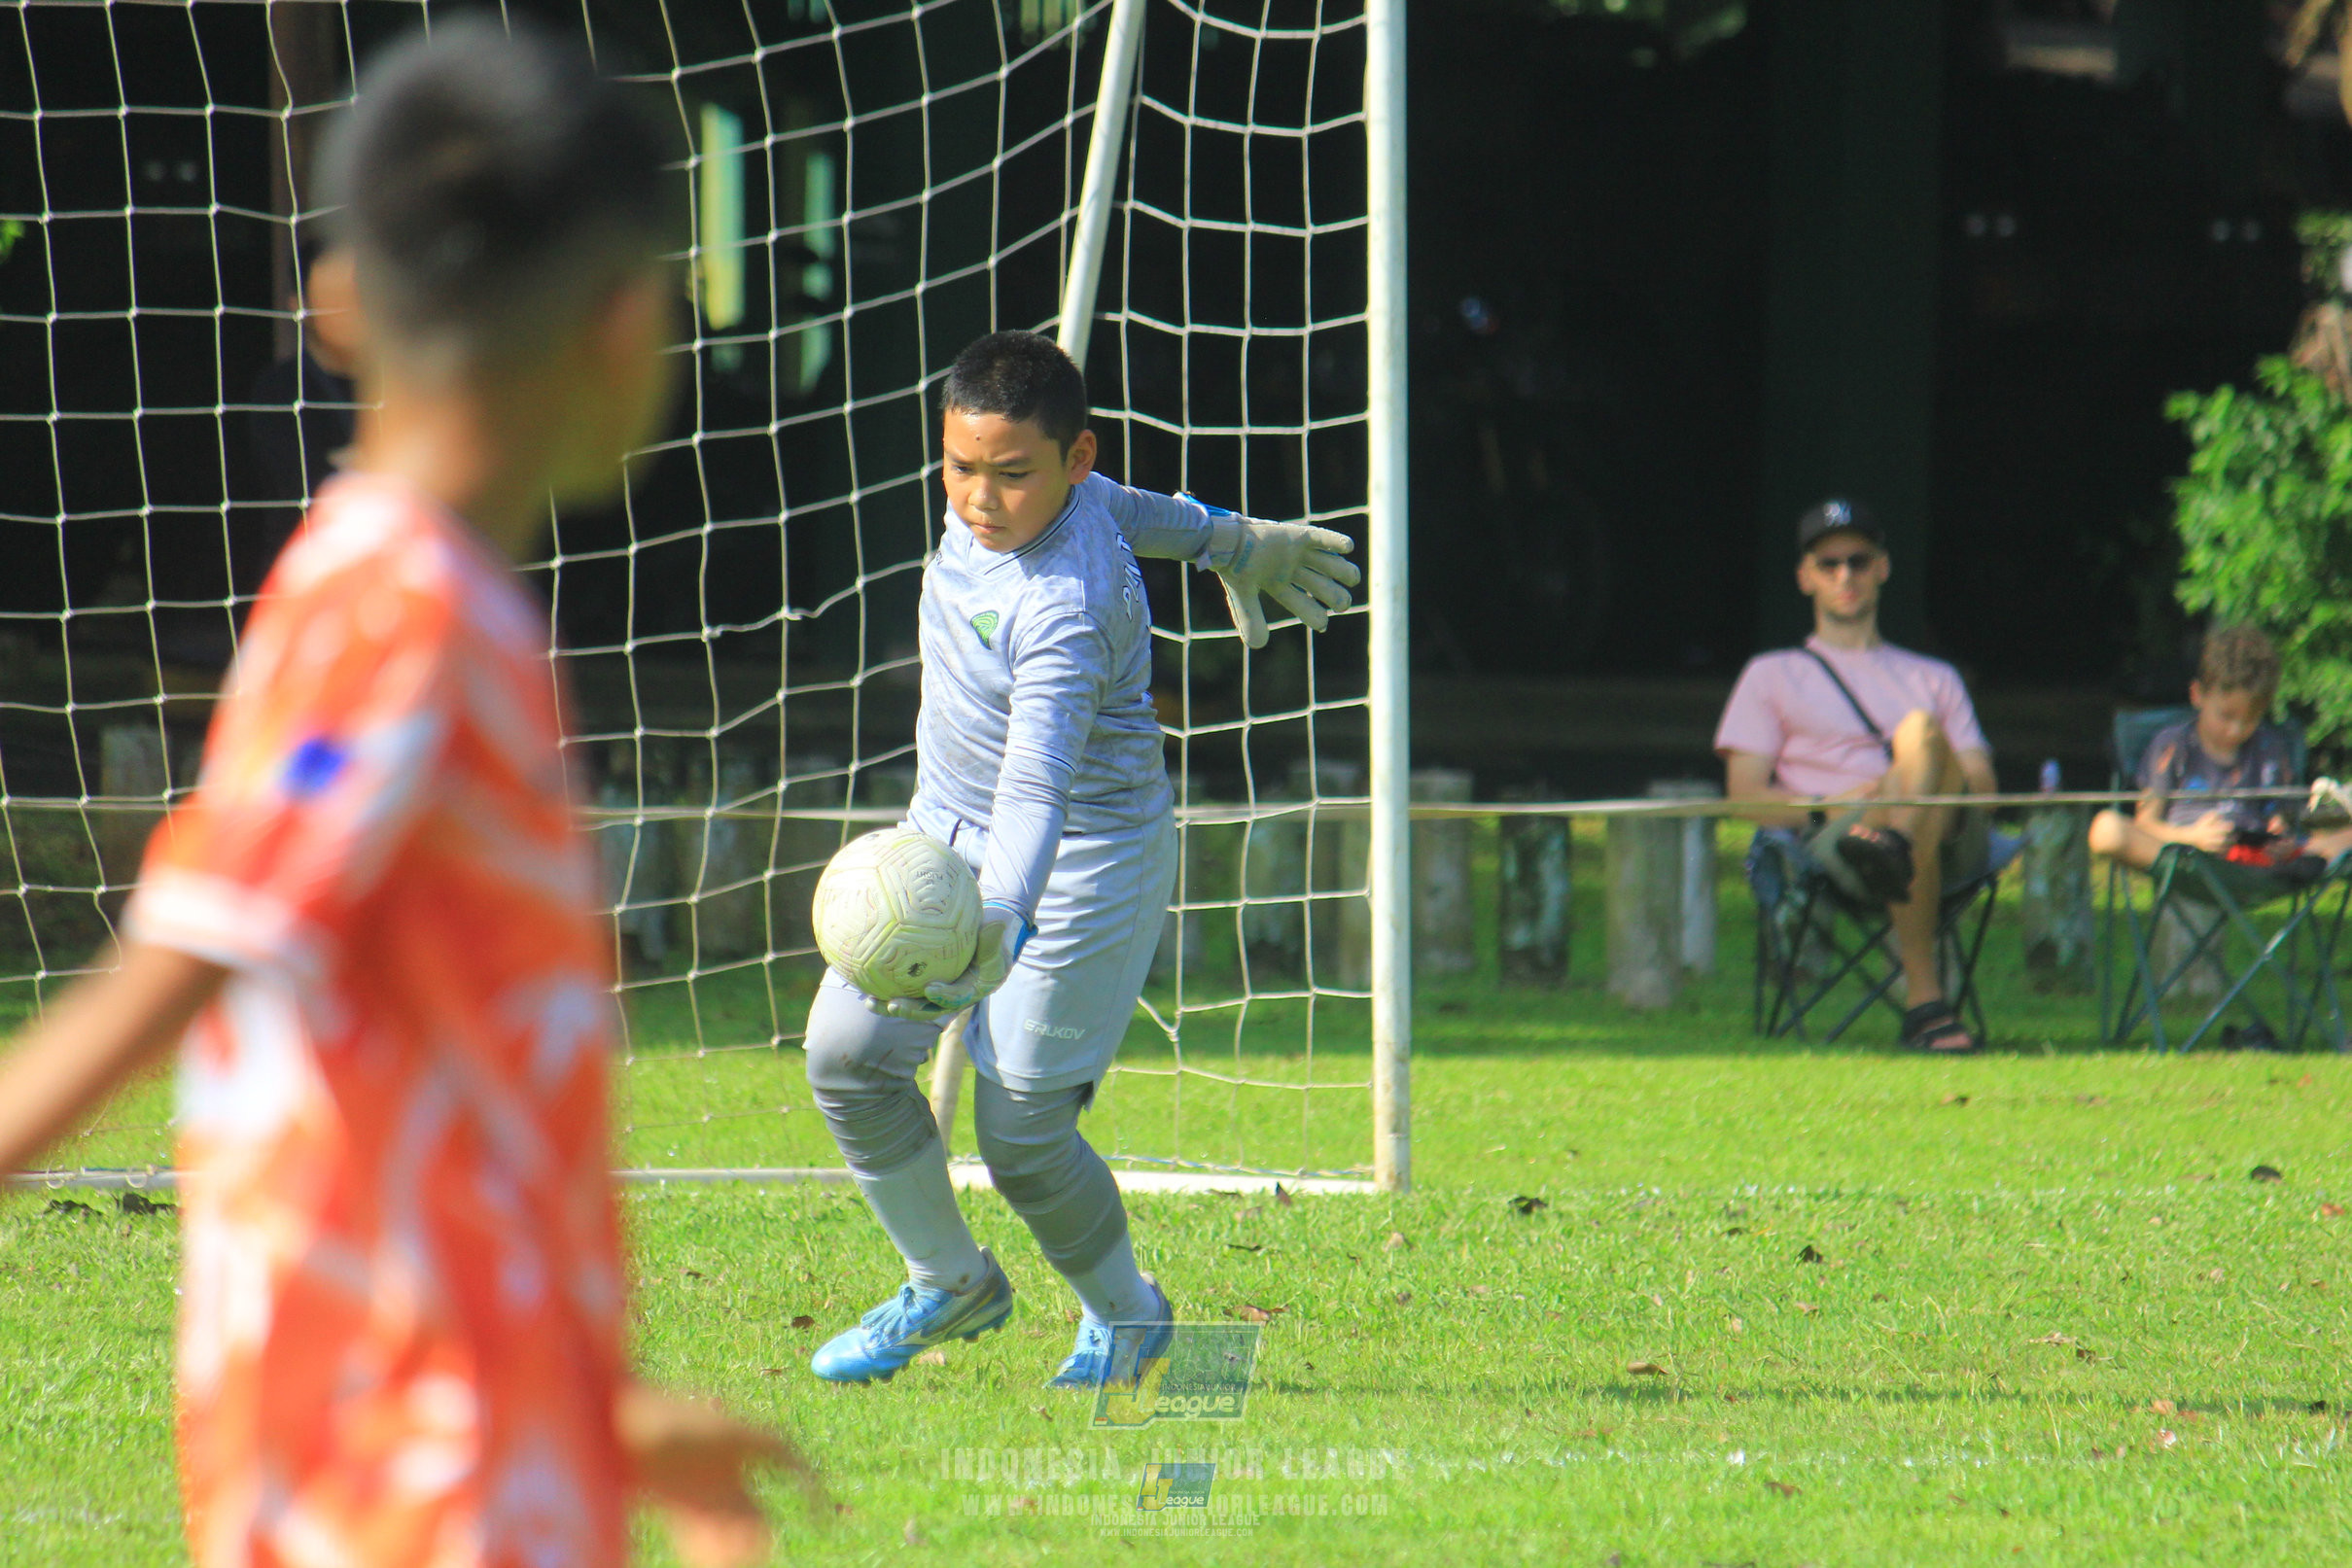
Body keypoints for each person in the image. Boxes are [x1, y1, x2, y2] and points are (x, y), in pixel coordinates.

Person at [0, 24, 813, 1568]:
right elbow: (178, 963)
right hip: (405, 1489)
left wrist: (597, 1406)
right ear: (632, 320)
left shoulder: (426, 604)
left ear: (344, 307)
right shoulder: (402, 614)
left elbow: (416, 1097)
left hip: (466, 1442)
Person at [800, 329, 1357, 1389]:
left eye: (1011, 475)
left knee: (1018, 1133)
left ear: (1075, 457)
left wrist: (1003, 914)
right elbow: (1142, 512)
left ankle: (1130, 1314)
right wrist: (1235, 542)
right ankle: (950, 1281)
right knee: (843, 1055)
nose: (978, 496)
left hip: (1086, 856)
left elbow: (1035, 783)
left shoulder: (1062, 608)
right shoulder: (1056, 494)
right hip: (942, 832)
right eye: (959, 466)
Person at [1715, 499, 1998, 1055]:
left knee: (1919, 733)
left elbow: (1984, 791)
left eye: (1859, 561)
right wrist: (1827, 804)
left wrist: (1909, 786)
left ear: (1883, 568)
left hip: (1948, 836)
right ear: (1805, 578)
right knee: (1903, 789)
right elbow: (1744, 797)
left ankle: (1895, 840)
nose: (1846, 575)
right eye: (1829, 564)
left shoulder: (1934, 676)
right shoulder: (1771, 674)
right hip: (1840, 837)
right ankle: (1925, 1004)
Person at [2088, 624, 2352, 872]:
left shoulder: (2270, 749)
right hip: (2187, 862)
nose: (2236, 729)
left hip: (2255, 865)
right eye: (2226, 716)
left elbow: (2285, 821)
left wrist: (2283, 836)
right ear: (2197, 695)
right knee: (2106, 828)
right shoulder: (2172, 747)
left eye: (2250, 719)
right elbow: (2145, 823)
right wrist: (2191, 837)